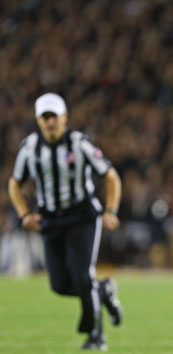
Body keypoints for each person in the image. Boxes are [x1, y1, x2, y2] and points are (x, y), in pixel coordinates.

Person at [8, 93, 124, 351]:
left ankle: (96, 337)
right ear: (38, 120)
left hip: (82, 216)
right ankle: (103, 291)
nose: (50, 122)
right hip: (50, 220)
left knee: (83, 277)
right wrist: (25, 214)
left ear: (65, 117)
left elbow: (111, 176)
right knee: (59, 285)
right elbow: (15, 183)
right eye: (45, 117)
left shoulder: (79, 143)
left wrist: (111, 210)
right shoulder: (29, 148)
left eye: (54, 116)